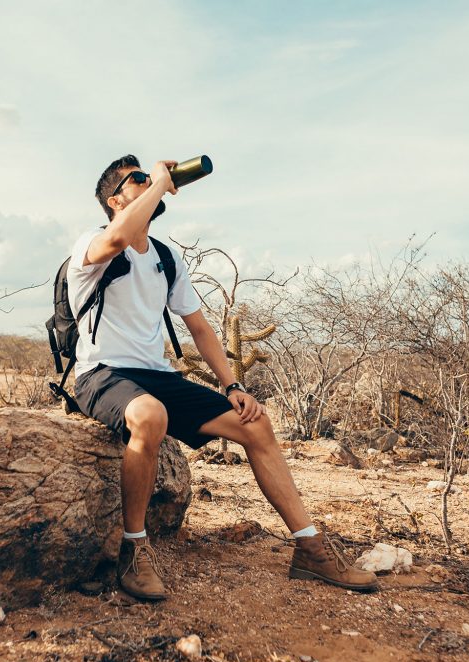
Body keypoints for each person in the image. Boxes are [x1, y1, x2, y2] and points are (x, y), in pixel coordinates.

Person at [67, 154, 377, 601]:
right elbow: (117, 236)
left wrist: (233, 385)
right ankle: (134, 550)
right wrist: (160, 181)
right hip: (102, 373)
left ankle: (310, 548)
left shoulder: (166, 258)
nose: (150, 182)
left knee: (257, 424)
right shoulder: (92, 243)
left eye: (148, 177)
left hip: (155, 375)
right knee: (150, 415)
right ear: (115, 199)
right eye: (137, 180)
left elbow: (200, 328)